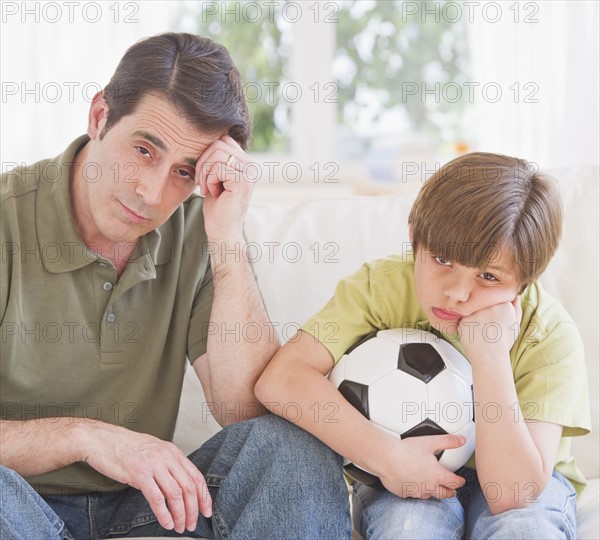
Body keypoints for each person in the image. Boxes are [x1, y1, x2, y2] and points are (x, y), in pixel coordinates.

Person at [0, 33, 351, 539]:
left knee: (291, 444)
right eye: (144, 150)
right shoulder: (10, 217)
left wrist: (227, 239)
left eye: (183, 172)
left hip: (148, 514)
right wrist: (86, 437)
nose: (151, 192)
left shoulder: (197, 230)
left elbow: (244, 412)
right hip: (18, 508)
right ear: (99, 116)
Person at [255, 152, 591, 539]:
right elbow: (281, 380)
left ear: (525, 282)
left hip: (523, 480)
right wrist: (389, 457)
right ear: (414, 237)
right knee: (409, 528)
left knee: (527, 529)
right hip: (407, 468)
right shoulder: (381, 287)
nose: (457, 293)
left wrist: (491, 358)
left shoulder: (548, 334)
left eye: (488, 276)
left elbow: (512, 494)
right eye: (442, 259)